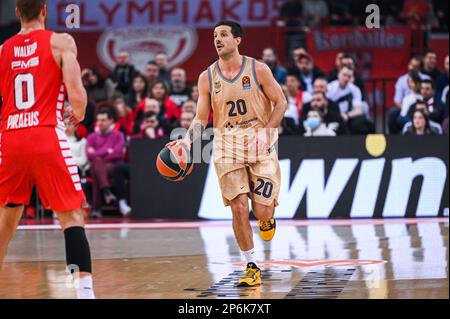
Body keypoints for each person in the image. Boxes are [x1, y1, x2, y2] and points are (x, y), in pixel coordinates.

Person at [169, 21, 287, 287]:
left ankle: (268, 220)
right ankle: (251, 266)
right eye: (214, 36)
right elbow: (201, 117)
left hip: (260, 140)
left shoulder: (258, 69)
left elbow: (281, 103)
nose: (217, 39)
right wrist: (187, 142)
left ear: (238, 40)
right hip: (226, 145)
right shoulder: (206, 77)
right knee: (238, 208)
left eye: (223, 35)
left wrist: (266, 132)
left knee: (263, 211)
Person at [0, 0, 95, 299]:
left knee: (5, 224)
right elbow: (77, 94)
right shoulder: (60, 41)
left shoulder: (2, 50)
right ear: (44, 10)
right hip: (45, 135)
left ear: (17, 13)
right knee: (71, 218)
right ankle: (83, 293)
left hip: (11, 138)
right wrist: (77, 113)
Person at [87, 108, 125, 219]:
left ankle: (96, 208)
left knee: (96, 167)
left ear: (111, 121)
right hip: (99, 166)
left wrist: (98, 153)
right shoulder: (91, 137)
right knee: (97, 165)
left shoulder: (118, 135)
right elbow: (89, 155)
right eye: (98, 120)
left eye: (103, 120)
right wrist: (108, 151)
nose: (100, 123)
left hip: (113, 166)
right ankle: (106, 191)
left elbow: (118, 154)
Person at [327, 66, 374, 134]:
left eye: (349, 76)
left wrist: (347, 115)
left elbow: (358, 110)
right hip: (333, 115)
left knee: (361, 123)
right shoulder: (330, 87)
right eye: (344, 75)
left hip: (348, 116)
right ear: (338, 75)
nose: (346, 78)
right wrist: (338, 115)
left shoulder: (355, 89)